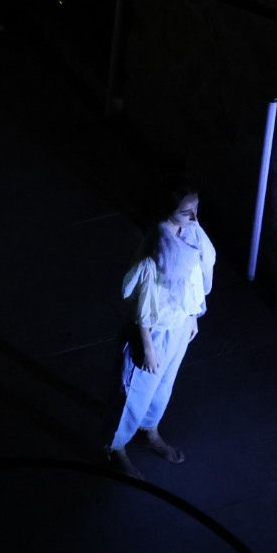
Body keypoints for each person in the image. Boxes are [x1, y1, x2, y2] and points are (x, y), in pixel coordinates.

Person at [106, 178, 215, 477]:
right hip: (153, 329)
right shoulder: (158, 245)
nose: (194, 217)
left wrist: (192, 315)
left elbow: (192, 277)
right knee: (135, 390)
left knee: (164, 384)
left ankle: (150, 430)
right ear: (168, 211)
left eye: (195, 208)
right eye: (186, 211)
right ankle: (116, 448)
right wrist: (148, 345)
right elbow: (143, 300)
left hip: (179, 323)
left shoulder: (190, 230)